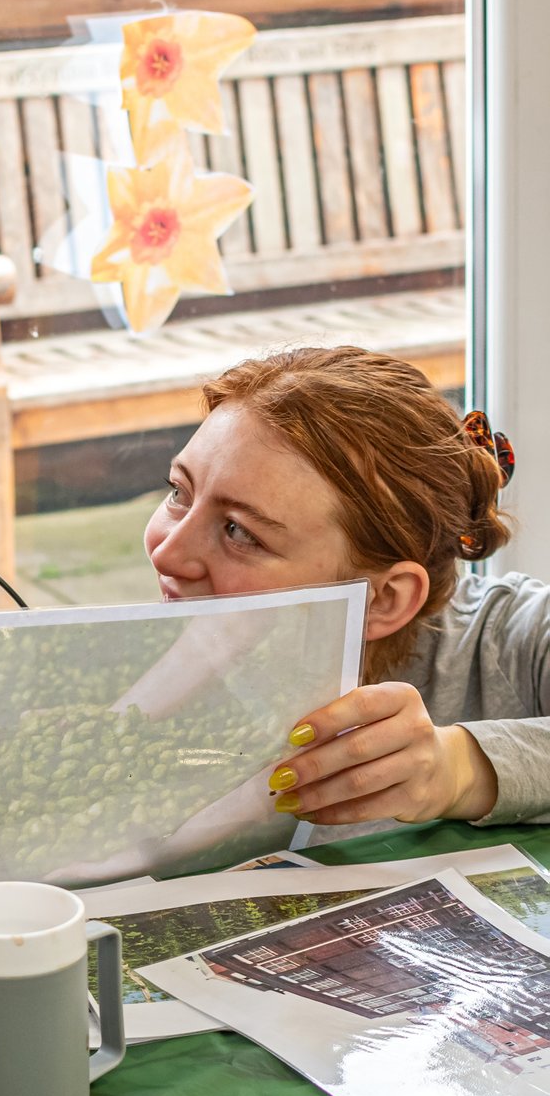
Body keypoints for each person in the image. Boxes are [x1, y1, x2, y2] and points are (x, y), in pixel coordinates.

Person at [135, 344, 547, 841]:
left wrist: (456, 769)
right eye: (179, 492)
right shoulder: (153, 644)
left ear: (386, 599)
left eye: (239, 531)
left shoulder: (512, 639)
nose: (165, 554)